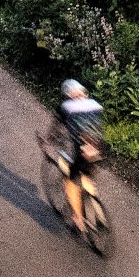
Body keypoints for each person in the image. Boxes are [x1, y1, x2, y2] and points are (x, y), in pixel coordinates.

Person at [50, 79, 105, 234]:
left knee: (71, 182)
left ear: (67, 95)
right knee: (86, 173)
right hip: (100, 148)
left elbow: (56, 129)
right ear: (83, 92)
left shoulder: (66, 107)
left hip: (82, 151)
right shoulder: (94, 104)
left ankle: (78, 218)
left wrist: (49, 141)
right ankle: (94, 198)